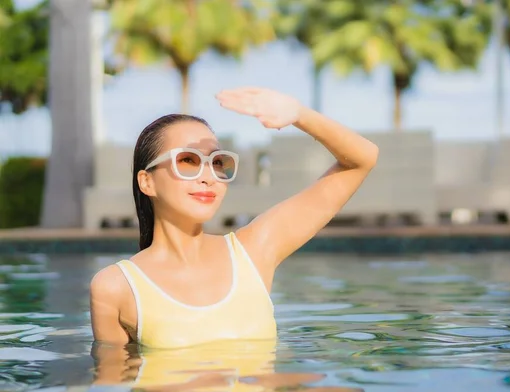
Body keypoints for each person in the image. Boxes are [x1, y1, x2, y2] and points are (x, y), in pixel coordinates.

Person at [89, 86, 379, 349]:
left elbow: (362, 160)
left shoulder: (253, 251)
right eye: (187, 160)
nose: (208, 176)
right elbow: (113, 381)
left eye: (217, 162)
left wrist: (299, 114)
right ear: (147, 182)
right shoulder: (115, 287)